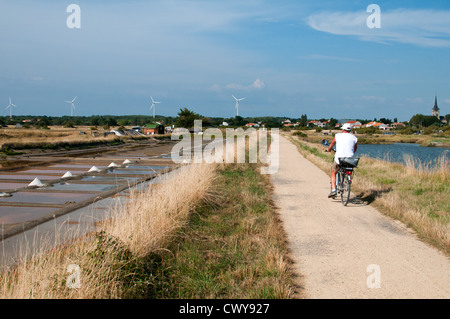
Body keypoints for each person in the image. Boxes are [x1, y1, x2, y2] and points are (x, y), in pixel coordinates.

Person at [325, 123, 358, 198]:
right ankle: (346, 181)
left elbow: (332, 144)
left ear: (343, 129)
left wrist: (328, 149)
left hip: (339, 159)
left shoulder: (338, 135)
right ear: (350, 130)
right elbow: (355, 148)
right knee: (347, 169)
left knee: (333, 171)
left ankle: (333, 190)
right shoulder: (354, 138)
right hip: (350, 159)